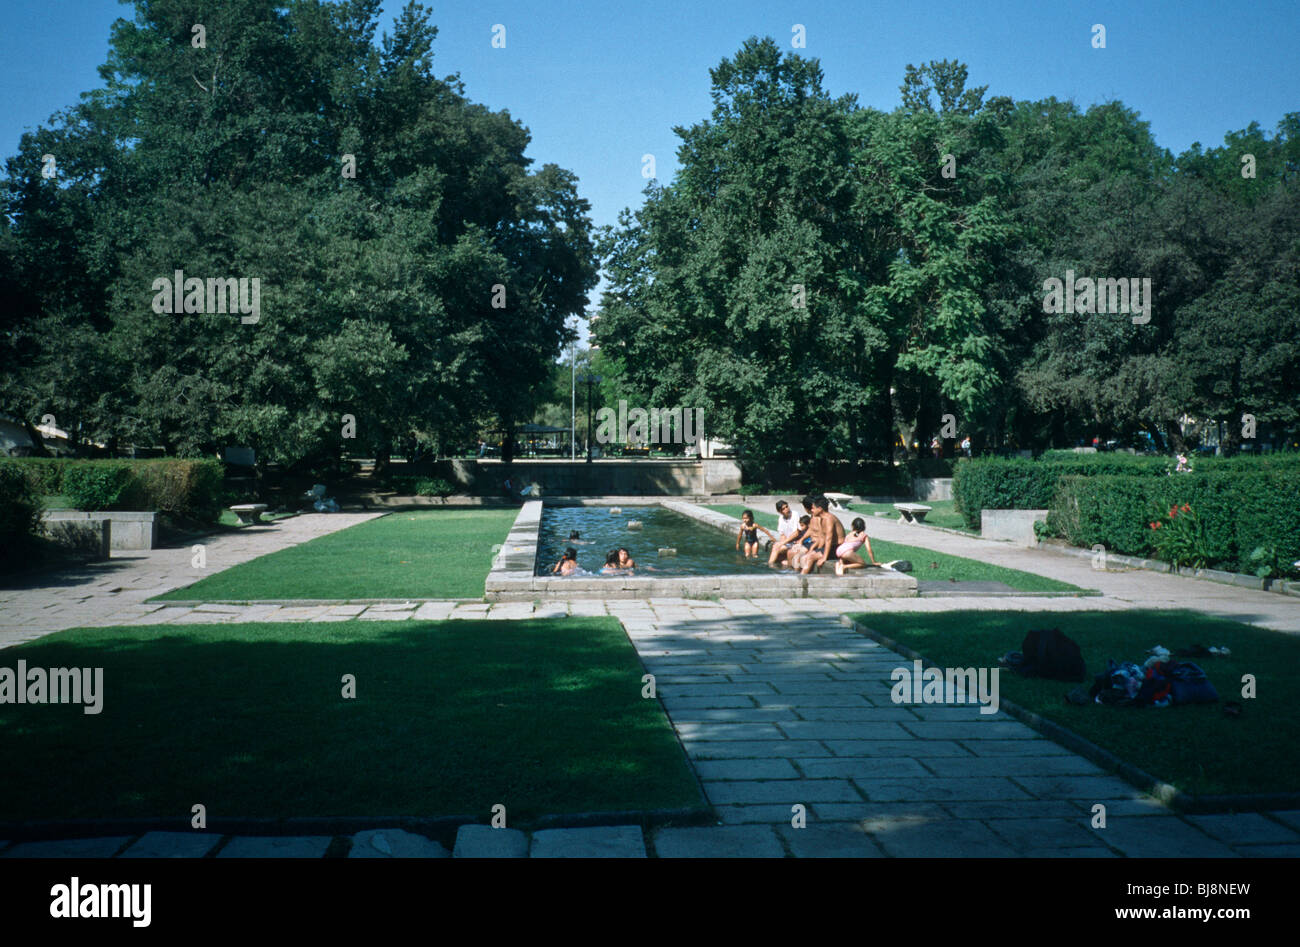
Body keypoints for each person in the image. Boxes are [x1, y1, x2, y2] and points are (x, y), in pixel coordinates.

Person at [800, 496, 844, 574]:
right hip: (830, 547)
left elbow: (828, 539)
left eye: (813, 508)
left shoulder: (829, 519)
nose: (811, 510)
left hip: (837, 548)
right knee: (804, 557)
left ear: (820, 509)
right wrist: (813, 550)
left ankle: (801, 580)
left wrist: (824, 557)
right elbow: (822, 538)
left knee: (810, 558)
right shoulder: (822, 519)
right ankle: (800, 575)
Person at [768, 500, 801, 566]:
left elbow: (797, 533)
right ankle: (771, 564)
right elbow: (782, 535)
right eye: (783, 509)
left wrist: (782, 543)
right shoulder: (781, 518)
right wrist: (780, 544)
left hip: (796, 541)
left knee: (776, 548)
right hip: (788, 543)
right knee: (776, 548)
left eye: (787, 506)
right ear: (780, 512)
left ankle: (770, 565)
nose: (787, 509)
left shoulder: (795, 514)